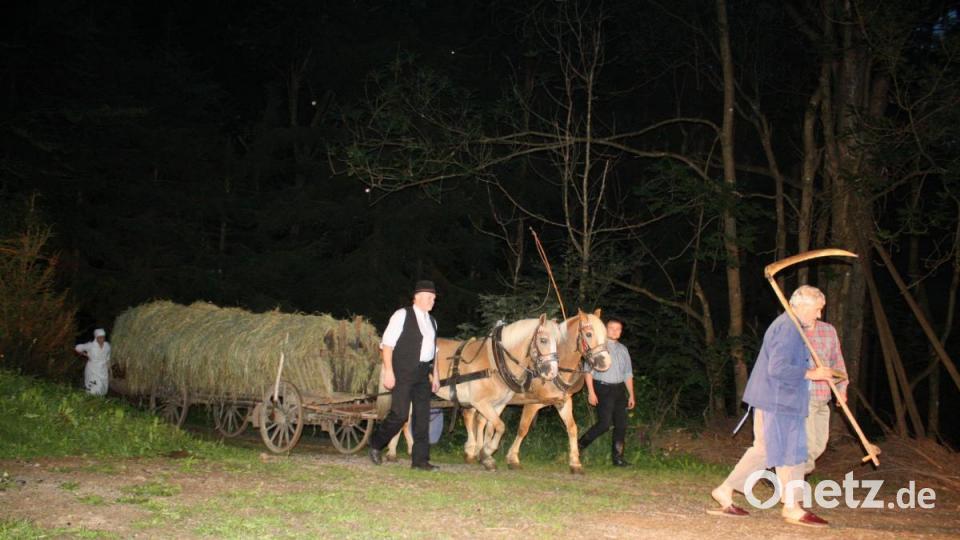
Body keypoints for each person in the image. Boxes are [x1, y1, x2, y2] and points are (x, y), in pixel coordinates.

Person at [709, 285, 838, 528]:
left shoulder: (789, 325)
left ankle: (725, 491)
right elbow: (777, 369)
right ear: (803, 305)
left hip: (774, 399)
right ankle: (793, 507)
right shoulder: (789, 328)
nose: (819, 315)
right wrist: (812, 373)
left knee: (765, 450)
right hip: (779, 401)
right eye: (818, 309)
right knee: (793, 451)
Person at [368, 280, 441, 471]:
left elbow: (434, 351)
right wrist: (389, 372)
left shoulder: (432, 321)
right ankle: (376, 443)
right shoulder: (402, 315)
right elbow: (387, 345)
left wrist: (436, 375)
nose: (432, 301)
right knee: (400, 415)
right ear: (416, 297)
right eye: (428, 297)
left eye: (434, 298)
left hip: (423, 373)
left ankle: (420, 461)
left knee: (422, 417)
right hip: (403, 372)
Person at [577, 317, 635, 466]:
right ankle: (577, 447)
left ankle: (618, 459)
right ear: (605, 330)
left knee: (621, 425)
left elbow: (627, 373)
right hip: (602, 388)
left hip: (620, 390)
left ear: (621, 332)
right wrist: (591, 392)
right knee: (604, 424)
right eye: (612, 328)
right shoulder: (597, 346)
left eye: (618, 329)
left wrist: (631, 395)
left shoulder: (623, 349)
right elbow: (587, 371)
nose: (615, 331)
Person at [804, 319, 848, 475]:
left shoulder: (829, 330)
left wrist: (842, 388)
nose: (818, 313)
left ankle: (778, 469)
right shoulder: (794, 330)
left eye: (820, 309)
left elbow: (838, 361)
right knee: (807, 446)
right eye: (816, 309)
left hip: (824, 398)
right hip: (804, 396)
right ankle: (795, 483)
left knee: (819, 445)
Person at [75, 328, 111, 396]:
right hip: (92, 369)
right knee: (94, 385)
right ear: (96, 337)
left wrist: (108, 364)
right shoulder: (91, 345)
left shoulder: (107, 345)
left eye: (103, 337)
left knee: (102, 385)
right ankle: (90, 399)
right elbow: (77, 348)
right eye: (100, 337)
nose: (102, 339)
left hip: (103, 369)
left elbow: (108, 355)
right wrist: (86, 355)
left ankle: (99, 400)